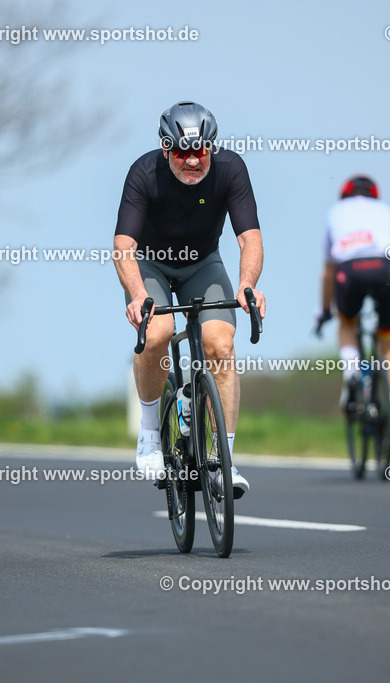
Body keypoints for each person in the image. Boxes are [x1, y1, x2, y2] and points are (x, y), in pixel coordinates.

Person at [112, 101, 266, 497]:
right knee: (159, 330)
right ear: (166, 149)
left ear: (212, 148)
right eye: (182, 152)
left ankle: (224, 464)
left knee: (221, 345)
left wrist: (247, 285)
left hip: (203, 264)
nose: (193, 161)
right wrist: (138, 294)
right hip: (152, 265)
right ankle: (149, 436)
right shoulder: (143, 173)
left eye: (201, 151)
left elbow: (249, 238)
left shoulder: (231, 169)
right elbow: (124, 245)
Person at [316, 175, 390, 454]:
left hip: (349, 269)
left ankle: (353, 373)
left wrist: (324, 310)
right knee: (389, 344)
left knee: (346, 324)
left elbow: (328, 271)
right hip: (384, 269)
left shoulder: (335, 212)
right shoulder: (388, 212)